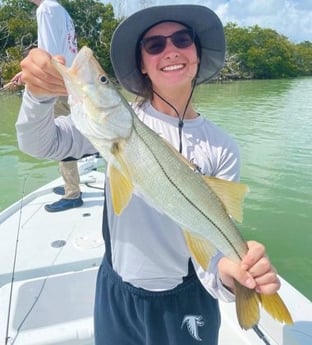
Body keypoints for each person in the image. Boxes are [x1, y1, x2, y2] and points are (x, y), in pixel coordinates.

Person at [16, 5, 282, 345]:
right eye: (154, 45)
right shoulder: (108, 129)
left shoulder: (222, 148)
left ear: (197, 55)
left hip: (186, 298)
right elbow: (37, 143)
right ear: (142, 64)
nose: (170, 50)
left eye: (182, 40)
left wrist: (230, 273)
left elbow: (211, 251)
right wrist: (37, 95)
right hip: (115, 292)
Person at [14, 0, 84, 212]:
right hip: (71, 82)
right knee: (75, 135)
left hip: (57, 84)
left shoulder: (46, 9)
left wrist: (37, 77)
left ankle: (73, 193)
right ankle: (70, 187)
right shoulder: (60, 10)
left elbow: (48, 53)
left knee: (60, 139)